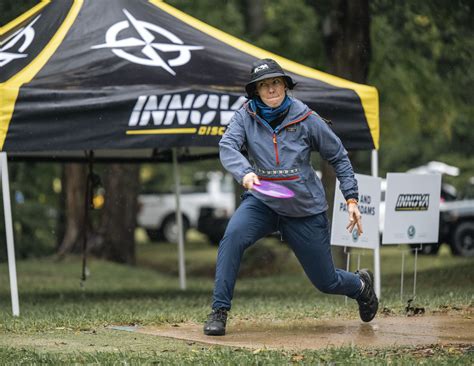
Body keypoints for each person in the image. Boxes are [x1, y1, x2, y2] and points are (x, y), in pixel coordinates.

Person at [203, 58, 378, 336]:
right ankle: (219, 310)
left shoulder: (307, 118)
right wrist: (245, 172)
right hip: (263, 202)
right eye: (264, 85)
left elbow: (339, 157)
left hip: (304, 208)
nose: (271, 89)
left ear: (285, 86)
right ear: (256, 91)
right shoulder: (245, 116)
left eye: (275, 83)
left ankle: (360, 285)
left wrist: (352, 200)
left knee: (326, 281)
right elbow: (227, 146)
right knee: (232, 236)